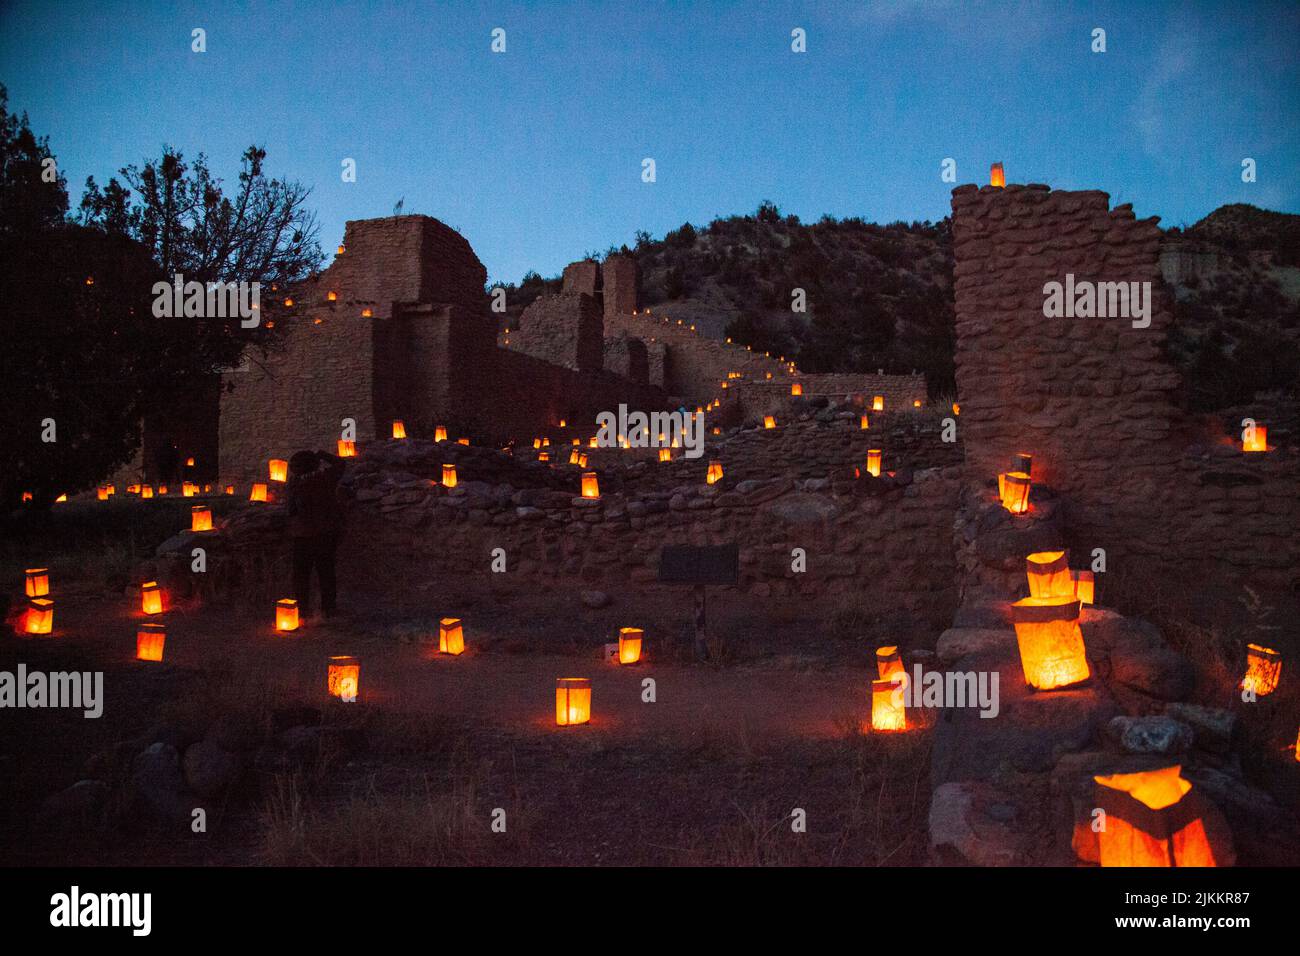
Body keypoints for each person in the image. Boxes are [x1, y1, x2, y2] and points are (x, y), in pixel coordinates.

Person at [285, 449, 345, 619]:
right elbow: (341, 464)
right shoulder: (325, 478)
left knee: (302, 575)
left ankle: (303, 610)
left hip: (306, 534)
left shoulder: (295, 484)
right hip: (323, 533)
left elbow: (291, 510)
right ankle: (328, 609)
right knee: (325, 572)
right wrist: (323, 454)